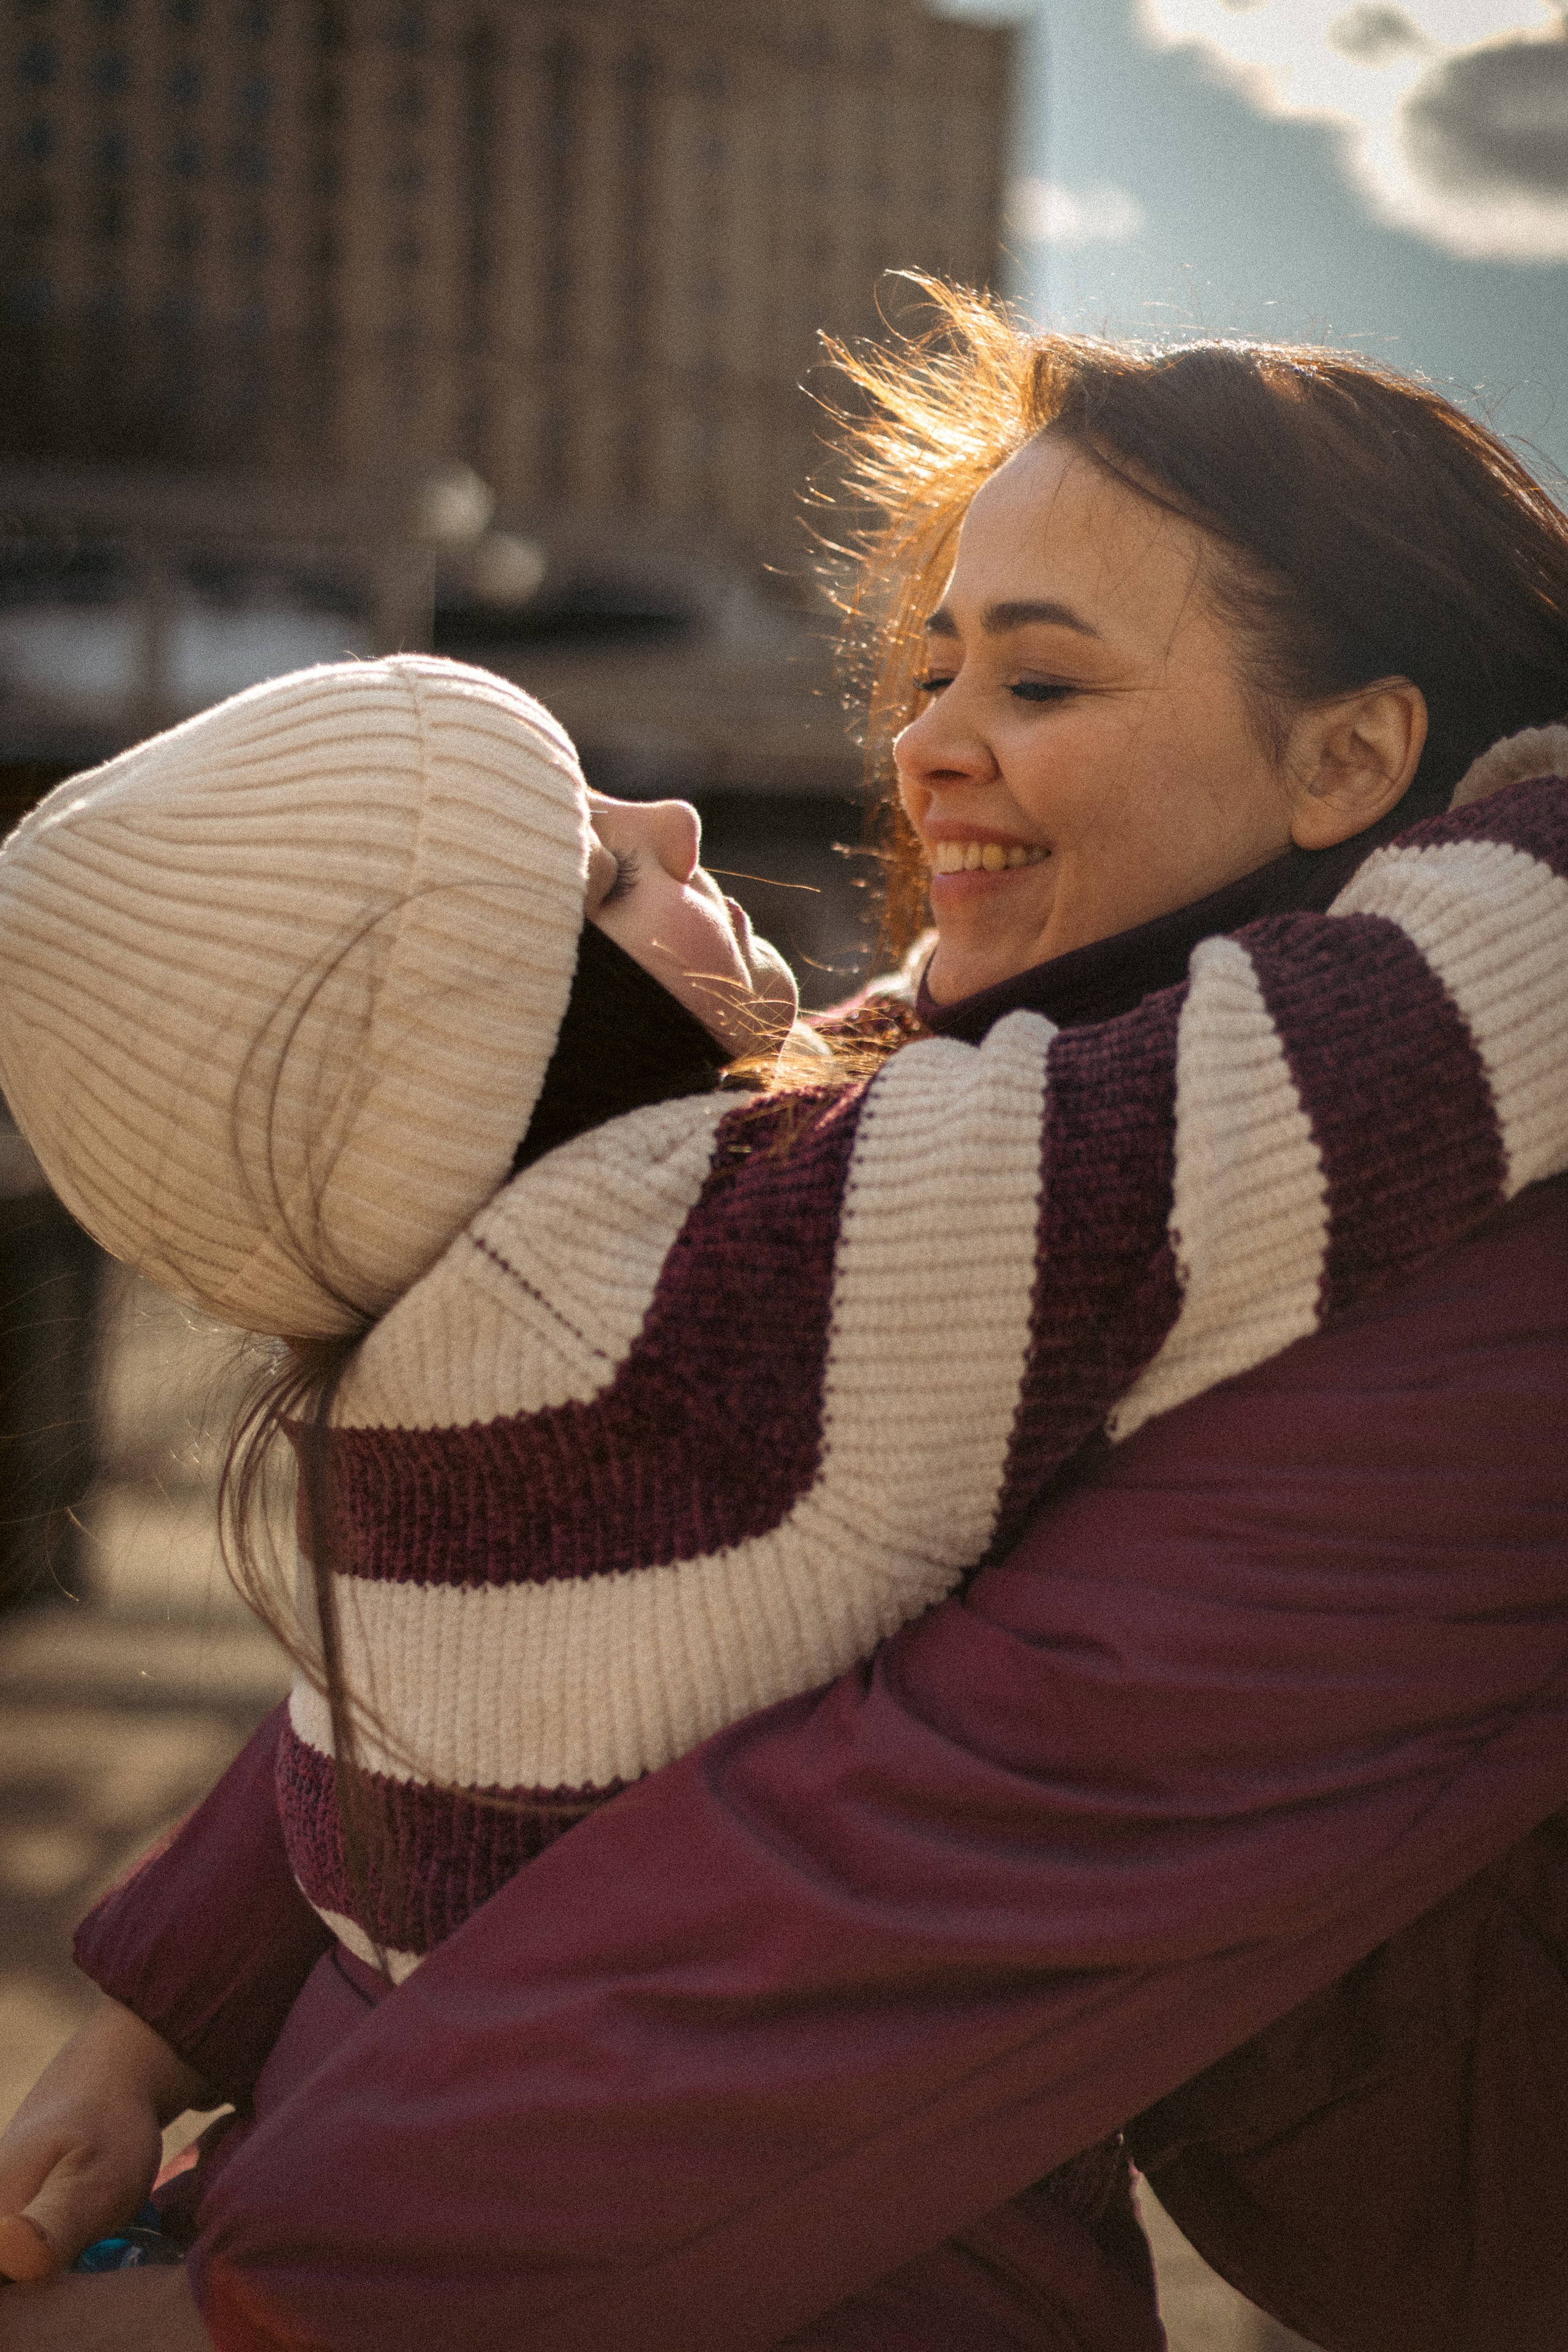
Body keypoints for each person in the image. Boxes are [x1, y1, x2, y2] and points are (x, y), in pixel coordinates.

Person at [2, 286, 1568, 2348]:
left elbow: (831, 1883)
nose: (918, 740)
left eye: (1037, 675)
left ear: (1354, 750)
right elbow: (1366, 1038)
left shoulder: (559, 1287)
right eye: (938, 661)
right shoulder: (843, 1233)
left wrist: (202, 2164)